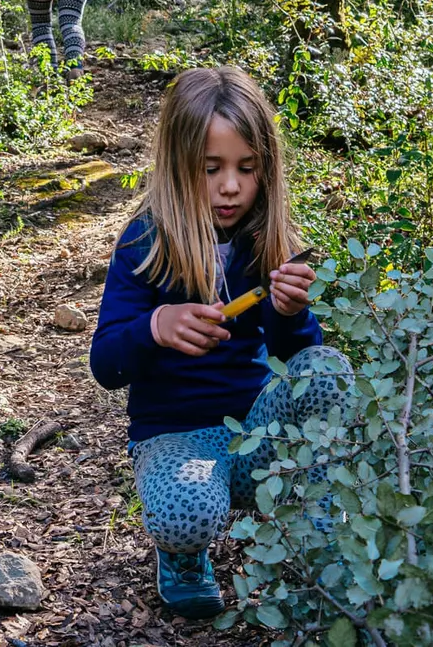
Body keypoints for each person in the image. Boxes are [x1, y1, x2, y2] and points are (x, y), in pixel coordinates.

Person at [89, 66, 352, 619]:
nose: (230, 185)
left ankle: (320, 532)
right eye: (211, 169)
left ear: (266, 170)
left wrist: (289, 313)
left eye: (245, 168)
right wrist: (155, 327)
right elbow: (106, 363)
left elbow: (293, 362)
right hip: (175, 438)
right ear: (179, 166)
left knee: (326, 368)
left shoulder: (270, 241)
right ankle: (182, 553)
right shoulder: (146, 240)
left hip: (258, 428)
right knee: (188, 509)